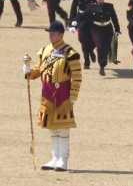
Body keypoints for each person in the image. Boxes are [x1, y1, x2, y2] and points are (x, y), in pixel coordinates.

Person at [22, 21, 82, 171]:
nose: (50, 35)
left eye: (53, 33)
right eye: (49, 33)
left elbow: (77, 76)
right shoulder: (44, 50)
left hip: (63, 94)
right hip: (47, 93)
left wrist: (73, 96)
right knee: (52, 127)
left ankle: (63, 160)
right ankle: (54, 158)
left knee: (63, 128)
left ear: (61, 34)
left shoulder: (70, 52)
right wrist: (27, 69)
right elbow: (38, 70)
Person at [80, 0, 120, 76]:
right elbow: (84, 16)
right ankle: (102, 66)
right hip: (96, 29)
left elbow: (114, 18)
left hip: (108, 28)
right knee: (101, 46)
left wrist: (117, 29)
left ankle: (102, 62)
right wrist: (75, 22)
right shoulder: (90, 6)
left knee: (106, 47)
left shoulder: (109, 6)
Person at [70, 0, 96, 69]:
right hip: (81, 19)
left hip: (91, 19)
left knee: (93, 40)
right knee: (82, 40)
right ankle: (86, 61)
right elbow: (73, 8)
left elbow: (97, 6)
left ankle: (91, 51)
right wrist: (71, 22)